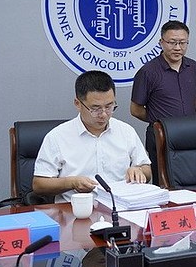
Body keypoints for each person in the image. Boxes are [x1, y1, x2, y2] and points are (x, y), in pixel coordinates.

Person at [34, 70, 151, 202]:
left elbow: (147, 169)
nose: (104, 114)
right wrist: (71, 183)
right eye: (96, 108)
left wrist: (138, 171)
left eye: (109, 106)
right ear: (78, 103)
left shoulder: (126, 131)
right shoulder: (57, 137)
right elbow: (39, 184)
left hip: (120, 206)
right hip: (75, 208)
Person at [130, 20, 196, 172]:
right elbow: (136, 109)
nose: (177, 48)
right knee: (163, 179)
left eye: (182, 43)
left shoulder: (193, 67)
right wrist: (160, 120)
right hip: (161, 136)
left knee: (192, 176)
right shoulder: (148, 72)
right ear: (161, 42)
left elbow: (195, 99)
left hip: (191, 134)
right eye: (172, 42)